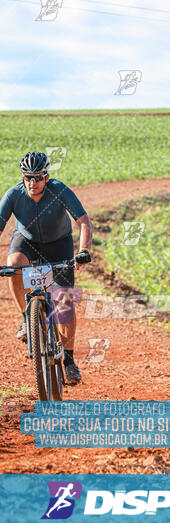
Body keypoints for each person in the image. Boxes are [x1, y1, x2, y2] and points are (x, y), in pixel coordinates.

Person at [0, 152, 92, 384]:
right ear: (23, 177)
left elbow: (84, 222)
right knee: (13, 266)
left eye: (38, 177)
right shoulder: (13, 194)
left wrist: (83, 251)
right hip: (26, 241)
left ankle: (69, 360)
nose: (32, 182)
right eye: (28, 177)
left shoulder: (59, 190)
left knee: (65, 304)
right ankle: (26, 318)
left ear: (46, 177)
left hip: (59, 244)